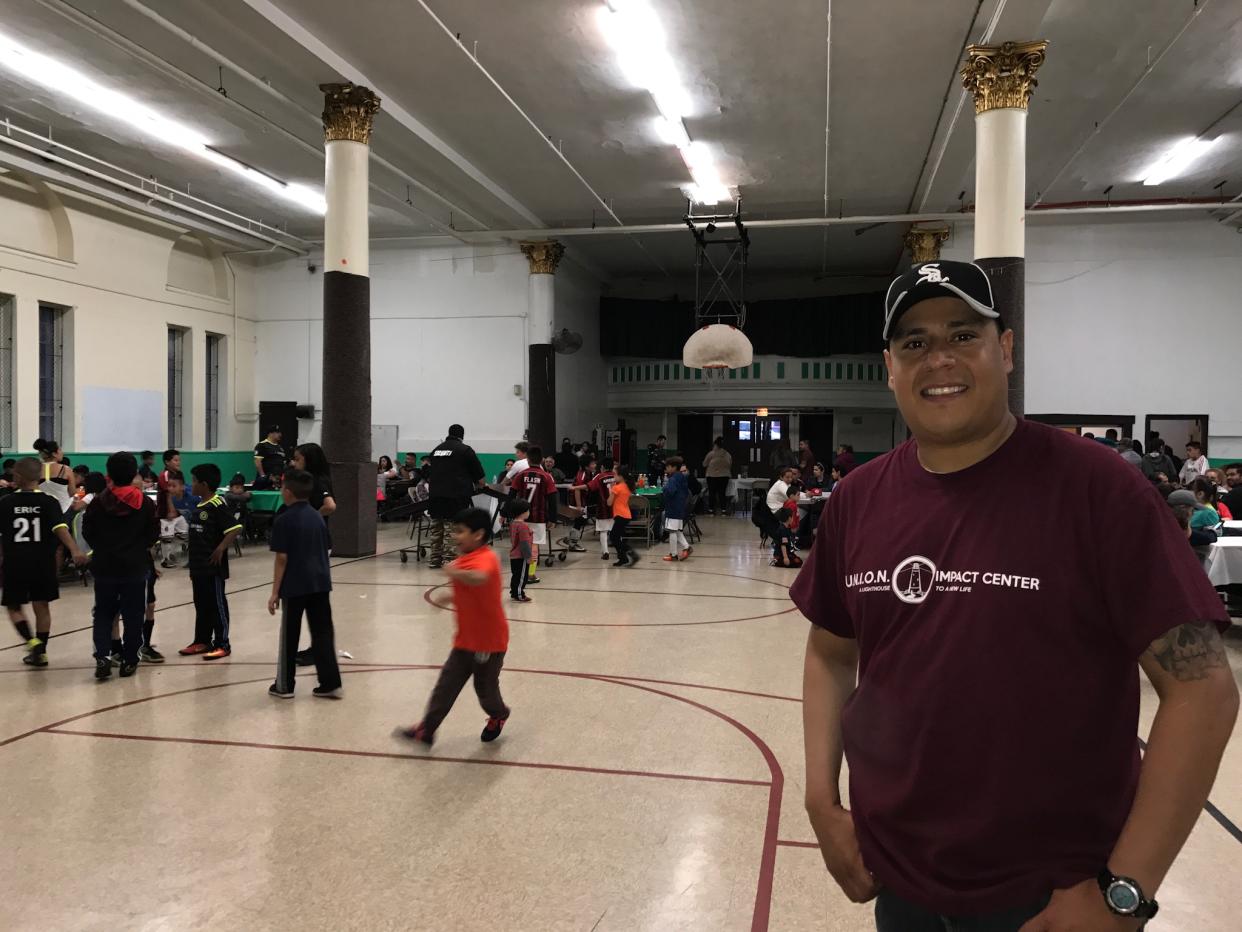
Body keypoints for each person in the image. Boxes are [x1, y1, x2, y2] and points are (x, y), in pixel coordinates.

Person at [793, 258, 1237, 930]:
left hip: (1054, 896)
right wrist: (821, 802)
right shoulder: (859, 499)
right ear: (890, 366)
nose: (938, 359)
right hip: (899, 878)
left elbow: (1203, 690)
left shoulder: (1096, 489)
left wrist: (1124, 889)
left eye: (962, 335)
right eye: (914, 343)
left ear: (1005, 349)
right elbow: (830, 653)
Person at [394, 507, 511, 746]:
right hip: (465, 640)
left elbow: (480, 578)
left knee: (485, 690)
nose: (454, 536)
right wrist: (449, 597)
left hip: (488, 642)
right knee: (446, 685)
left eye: (460, 532)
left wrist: (454, 571)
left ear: (478, 535)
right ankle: (427, 730)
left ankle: (499, 714)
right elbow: (471, 594)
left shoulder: (486, 557)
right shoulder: (463, 559)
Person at [0, 457, 87, 666]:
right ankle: (42, 651)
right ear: (39, 477)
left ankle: (32, 643)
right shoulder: (49, 502)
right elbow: (60, 529)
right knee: (42, 605)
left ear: (17, 477)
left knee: (13, 606)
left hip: (15, 562)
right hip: (43, 562)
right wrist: (75, 550)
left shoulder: (5, 502)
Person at [83, 451, 159, 680]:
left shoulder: (98, 502)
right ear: (134, 473)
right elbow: (152, 535)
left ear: (109, 474)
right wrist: (135, 548)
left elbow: (88, 532)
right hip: (134, 567)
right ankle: (129, 660)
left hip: (105, 566)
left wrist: (104, 548)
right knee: (134, 614)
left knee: (103, 613)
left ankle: (103, 657)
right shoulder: (144, 503)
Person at [267, 469, 341, 699]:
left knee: (290, 635)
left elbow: (282, 558)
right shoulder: (317, 517)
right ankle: (329, 683)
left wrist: (274, 592)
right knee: (322, 633)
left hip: (295, 584)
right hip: (320, 582)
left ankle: (285, 685)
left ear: (287, 492)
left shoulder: (284, 520)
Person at [177, 464, 243, 661]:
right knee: (201, 604)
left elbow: (235, 528)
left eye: (194, 481)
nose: (192, 485)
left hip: (213, 568)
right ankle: (202, 640)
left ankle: (222, 643)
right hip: (198, 567)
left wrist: (221, 548)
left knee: (216, 604)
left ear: (204, 485)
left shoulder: (217, 504)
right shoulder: (198, 505)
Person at [425, 425, 486, 569]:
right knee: (451, 529)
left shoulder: (436, 450)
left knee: (437, 528)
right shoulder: (465, 450)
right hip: (455, 497)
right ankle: (449, 561)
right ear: (462, 435)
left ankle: (434, 559)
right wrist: (480, 484)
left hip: (435, 496)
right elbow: (480, 478)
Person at [511, 446, 557, 585]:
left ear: (528, 459)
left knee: (520, 544)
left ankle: (519, 573)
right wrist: (553, 518)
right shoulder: (546, 476)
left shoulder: (520, 475)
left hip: (521, 517)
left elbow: (511, 495)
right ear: (542, 460)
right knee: (534, 545)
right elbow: (552, 499)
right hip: (539, 516)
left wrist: (505, 513)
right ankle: (531, 574)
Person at [586, 457, 618, 560]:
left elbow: (589, 487)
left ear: (602, 467)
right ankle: (619, 551)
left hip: (603, 508)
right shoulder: (616, 476)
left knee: (603, 531)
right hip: (616, 508)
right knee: (617, 531)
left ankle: (605, 552)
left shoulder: (599, 477)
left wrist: (576, 488)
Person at [33, 438, 76, 513]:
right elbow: (72, 492)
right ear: (54, 454)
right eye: (60, 450)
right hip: (64, 509)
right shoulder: (66, 469)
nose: (62, 452)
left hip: (43, 510)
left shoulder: (36, 470)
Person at [662, 456, 691, 562]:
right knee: (677, 530)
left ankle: (673, 554)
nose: (667, 469)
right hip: (680, 507)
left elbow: (670, 491)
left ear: (674, 467)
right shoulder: (681, 477)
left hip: (673, 508)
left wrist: (664, 488)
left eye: (668, 467)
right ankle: (687, 547)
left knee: (672, 531)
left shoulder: (673, 478)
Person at [607, 469, 638, 568]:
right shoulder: (627, 487)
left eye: (615, 474)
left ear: (621, 476)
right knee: (616, 538)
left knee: (613, 537)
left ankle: (631, 554)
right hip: (626, 515)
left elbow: (609, 503)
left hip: (620, 515)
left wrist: (610, 490)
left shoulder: (617, 488)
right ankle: (622, 558)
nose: (613, 476)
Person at [506, 498, 534, 603]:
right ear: (523, 512)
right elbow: (524, 543)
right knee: (522, 576)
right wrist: (528, 557)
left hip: (514, 555)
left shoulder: (513, 524)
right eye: (528, 510)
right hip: (521, 556)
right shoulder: (523, 526)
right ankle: (519, 594)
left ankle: (514, 592)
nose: (529, 513)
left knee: (516, 575)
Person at [702, 437, 733, 516]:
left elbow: (704, 464)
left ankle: (711, 510)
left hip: (712, 475)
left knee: (712, 493)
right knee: (722, 493)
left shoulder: (711, 454)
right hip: (724, 476)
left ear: (715, 444)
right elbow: (730, 464)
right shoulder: (727, 454)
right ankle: (723, 510)